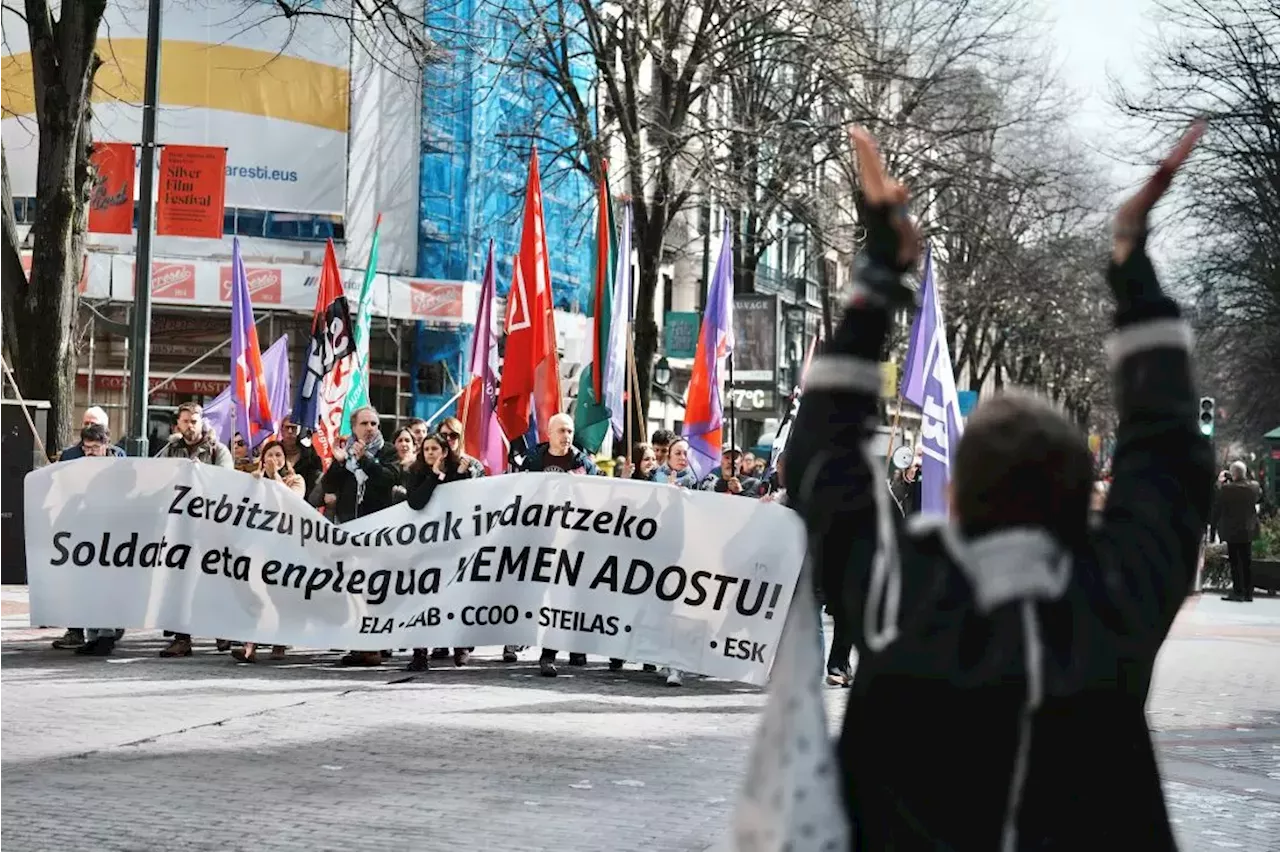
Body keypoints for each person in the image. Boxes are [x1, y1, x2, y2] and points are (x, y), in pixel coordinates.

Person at [784, 124, 1213, 849]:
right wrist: (1131, 264)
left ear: (956, 497)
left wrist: (883, 271)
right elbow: (1171, 456)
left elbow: (822, 457)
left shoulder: (898, 596)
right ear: (1084, 503)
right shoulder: (1113, 600)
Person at [515, 413, 601, 676]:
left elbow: (599, 497)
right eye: (562, 431)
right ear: (549, 434)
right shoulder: (532, 460)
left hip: (574, 541)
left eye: (570, 431)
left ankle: (568, 647)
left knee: (572, 596)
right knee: (546, 598)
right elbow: (518, 492)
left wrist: (585, 486)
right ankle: (546, 652)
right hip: (542, 540)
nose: (567, 436)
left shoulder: (583, 463)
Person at [320, 406, 399, 667]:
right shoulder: (347, 451)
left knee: (376, 588)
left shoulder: (386, 451)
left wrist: (366, 459)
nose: (370, 428)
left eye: (374, 423)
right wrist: (340, 461)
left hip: (379, 529)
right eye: (364, 423)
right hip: (350, 528)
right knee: (353, 588)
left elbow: (388, 479)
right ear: (353, 427)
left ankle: (376, 645)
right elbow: (330, 486)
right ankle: (357, 644)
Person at [158, 402, 234, 658]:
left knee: (212, 579)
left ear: (202, 422)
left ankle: (222, 629)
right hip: (178, 527)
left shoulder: (218, 450)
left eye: (194, 421)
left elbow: (226, 483)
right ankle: (181, 637)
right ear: (177, 424)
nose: (190, 426)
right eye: (185, 421)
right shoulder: (170, 450)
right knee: (178, 582)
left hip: (209, 526)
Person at [405, 433, 481, 671]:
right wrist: (435, 475)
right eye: (426, 449)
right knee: (422, 598)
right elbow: (416, 501)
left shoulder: (460, 472)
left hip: (454, 545)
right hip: (425, 546)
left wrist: (463, 475)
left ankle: (459, 647)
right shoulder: (416, 473)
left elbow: (468, 500)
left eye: (434, 449)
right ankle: (420, 653)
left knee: (454, 596)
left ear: (445, 451)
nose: (429, 453)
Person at [53, 424, 124, 656]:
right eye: (86, 448)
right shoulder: (76, 461)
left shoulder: (119, 462)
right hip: (84, 530)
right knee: (88, 584)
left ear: (106, 445)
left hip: (111, 532)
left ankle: (106, 634)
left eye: (95, 447)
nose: (90, 452)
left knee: (107, 584)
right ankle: (93, 635)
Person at [231, 440, 304, 663]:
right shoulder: (255, 479)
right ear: (262, 459)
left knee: (280, 593)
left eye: (279, 455)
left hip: (284, 542)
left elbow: (293, 500)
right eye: (270, 455)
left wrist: (275, 478)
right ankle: (249, 646)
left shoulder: (296, 479)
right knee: (255, 591)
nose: (275, 460)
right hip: (259, 541)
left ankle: (279, 640)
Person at [1213, 460, 1261, 602]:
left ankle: (1237, 591)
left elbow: (1218, 500)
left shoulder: (1227, 489)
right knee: (1247, 561)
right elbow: (1257, 491)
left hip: (1232, 530)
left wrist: (1221, 481)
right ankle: (1248, 593)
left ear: (1233, 474)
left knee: (1235, 562)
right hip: (1249, 529)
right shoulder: (1254, 487)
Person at [56, 407, 125, 461]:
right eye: (86, 424)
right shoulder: (69, 456)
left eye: (94, 424)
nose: (89, 427)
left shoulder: (117, 455)